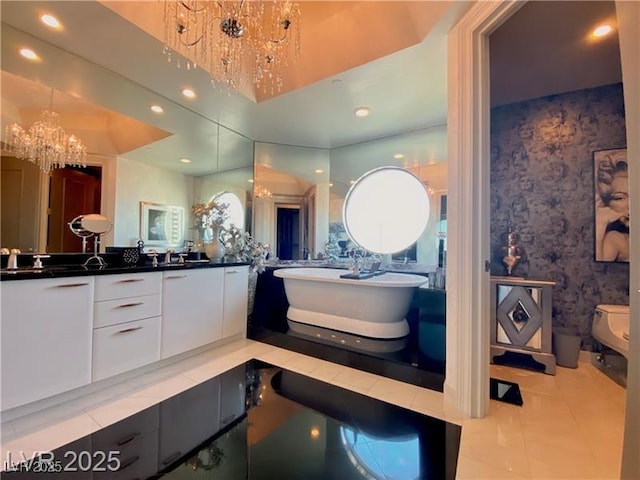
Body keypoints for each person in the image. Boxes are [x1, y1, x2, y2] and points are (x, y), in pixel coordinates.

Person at [595, 152, 629, 262]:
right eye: (619, 198)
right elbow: (597, 274)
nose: (630, 205)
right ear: (607, 203)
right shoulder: (615, 240)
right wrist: (600, 224)